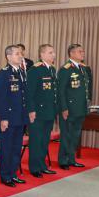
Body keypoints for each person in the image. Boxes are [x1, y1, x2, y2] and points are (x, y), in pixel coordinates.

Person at [0, 45, 28, 187]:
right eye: (17, 54)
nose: (20, 56)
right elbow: (0, 98)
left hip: (20, 117)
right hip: (8, 118)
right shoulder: (3, 74)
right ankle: (5, 176)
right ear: (8, 57)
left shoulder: (21, 72)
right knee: (6, 148)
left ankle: (13, 173)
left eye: (21, 54)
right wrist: (3, 118)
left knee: (16, 148)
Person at [57, 43, 91, 170]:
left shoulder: (83, 68)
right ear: (71, 53)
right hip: (69, 109)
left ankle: (71, 159)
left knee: (75, 135)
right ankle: (63, 160)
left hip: (80, 108)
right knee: (66, 135)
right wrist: (64, 108)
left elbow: (86, 89)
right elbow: (61, 91)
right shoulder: (66, 69)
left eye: (82, 51)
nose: (83, 53)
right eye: (80, 51)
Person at [26, 44, 58, 178]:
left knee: (44, 141)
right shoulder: (35, 70)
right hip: (37, 113)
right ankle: (34, 168)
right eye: (50, 52)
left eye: (53, 52)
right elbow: (29, 93)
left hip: (49, 112)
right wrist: (31, 110)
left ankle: (42, 166)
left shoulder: (51, 69)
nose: (53, 55)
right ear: (42, 54)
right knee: (36, 141)